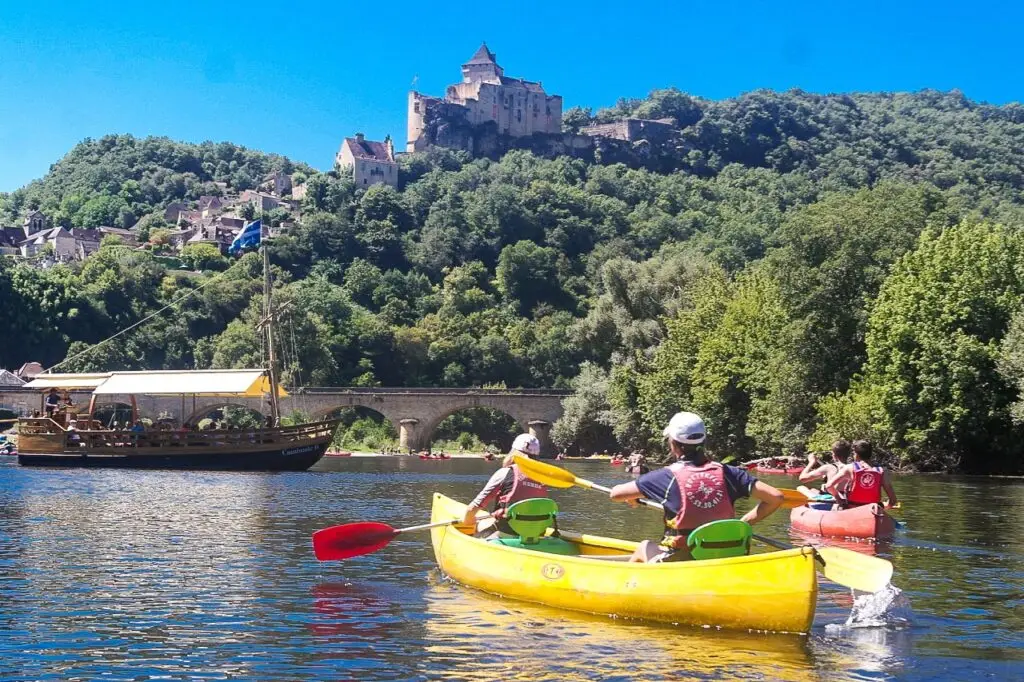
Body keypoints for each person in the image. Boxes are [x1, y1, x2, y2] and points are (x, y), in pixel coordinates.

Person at [609, 412, 784, 563]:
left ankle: (630, 590)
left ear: (673, 444)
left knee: (644, 547)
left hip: (684, 560)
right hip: (726, 557)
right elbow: (776, 497)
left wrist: (631, 496)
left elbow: (616, 494)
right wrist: (741, 525)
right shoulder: (730, 474)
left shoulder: (665, 477)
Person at [461, 433, 548, 538]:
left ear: (513, 452)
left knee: (478, 527)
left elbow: (472, 509)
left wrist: (467, 523)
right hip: (536, 533)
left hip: (508, 531)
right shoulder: (543, 477)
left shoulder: (505, 473)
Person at [825, 440, 898, 509]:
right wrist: (884, 507)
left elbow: (828, 486)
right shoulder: (882, 471)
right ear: (870, 454)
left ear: (856, 455)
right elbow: (893, 501)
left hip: (852, 509)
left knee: (835, 508)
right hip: (872, 510)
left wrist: (839, 499)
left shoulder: (849, 468)